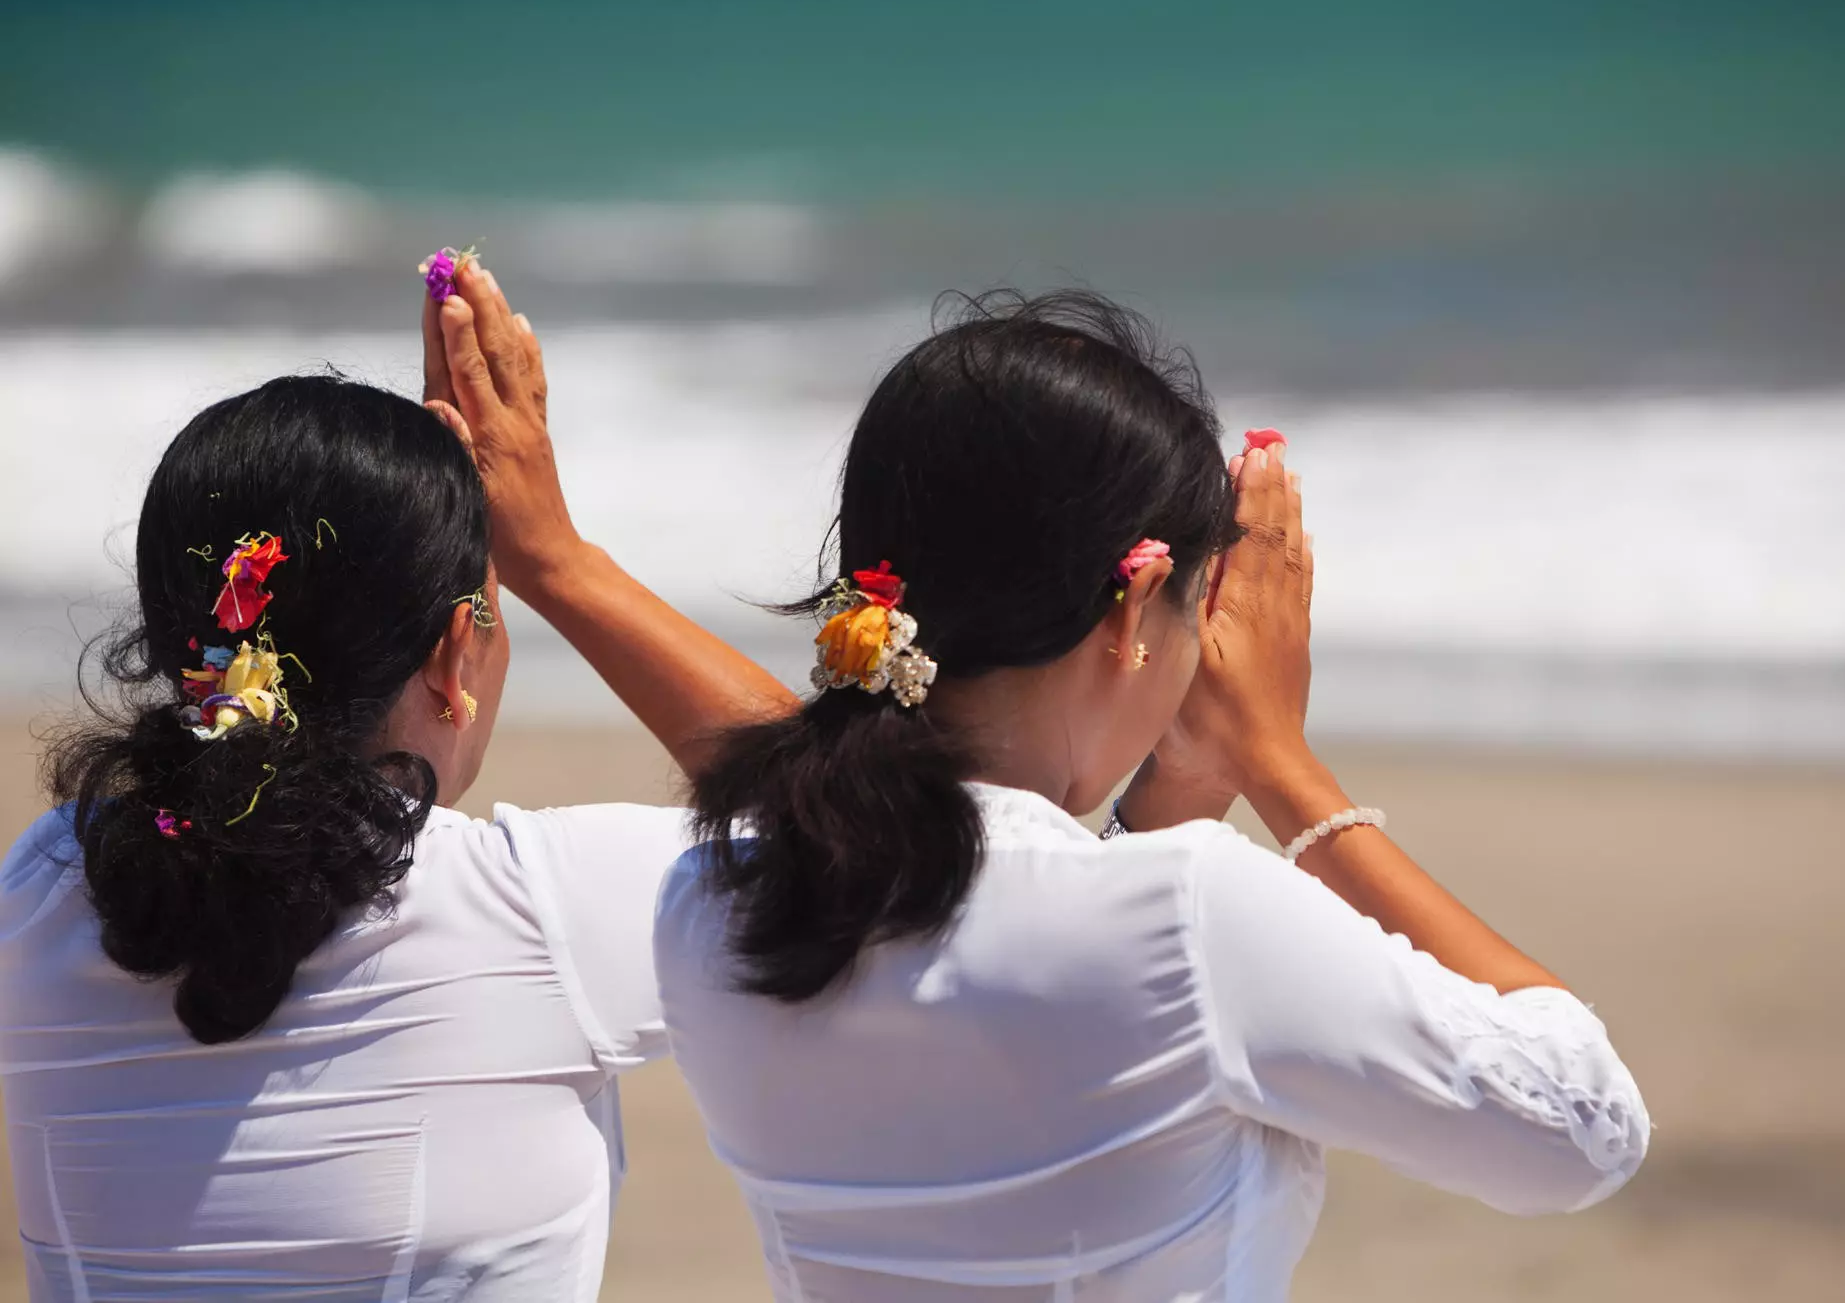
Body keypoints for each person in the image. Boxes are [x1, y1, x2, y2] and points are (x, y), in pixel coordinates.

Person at [648, 291, 1652, 1300]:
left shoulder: (709, 897)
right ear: (1132, 605)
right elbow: (1581, 1125)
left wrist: (1192, 776)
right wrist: (1279, 764)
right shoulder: (1189, 911)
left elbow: (1059, 953)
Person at [0, 262, 792, 1300]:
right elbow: (861, 821)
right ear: (454, 653)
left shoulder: (44, 890)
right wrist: (556, 556)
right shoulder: (539, 914)